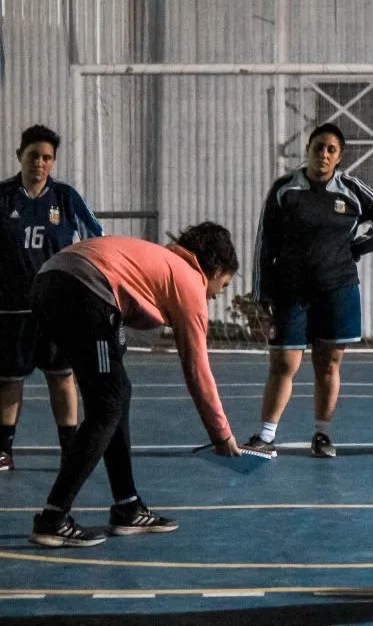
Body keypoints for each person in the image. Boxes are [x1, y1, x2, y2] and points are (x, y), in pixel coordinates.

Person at [27, 223, 244, 548]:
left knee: (118, 393)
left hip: (52, 281)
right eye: (222, 285)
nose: (216, 295)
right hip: (82, 289)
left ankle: (127, 506)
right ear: (211, 269)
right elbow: (197, 369)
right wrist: (221, 434)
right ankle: (53, 517)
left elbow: (125, 305)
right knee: (108, 403)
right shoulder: (188, 280)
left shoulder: (159, 260)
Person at [248, 123, 373, 458]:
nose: (324, 154)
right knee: (283, 363)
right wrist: (262, 295)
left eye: (331, 149)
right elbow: (265, 243)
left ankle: (322, 435)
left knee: (328, 364)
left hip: (337, 289)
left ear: (339, 156)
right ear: (308, 149)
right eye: (318, 147)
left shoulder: (351, 189)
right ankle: (265, 436)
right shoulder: (285, 189)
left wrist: (357, 248)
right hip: (291, 291)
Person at [0, 125, 103, 472]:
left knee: (61, 375)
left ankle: (70, 447)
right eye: (33, 156)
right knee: (9, 378)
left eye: (46, 157)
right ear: (20, 157)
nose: (39, 163)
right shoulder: (3, 197)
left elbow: (96, 239)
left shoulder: (66, 198)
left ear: (53, 162)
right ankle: (4, 450)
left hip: (58, 307)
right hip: (11, 307)